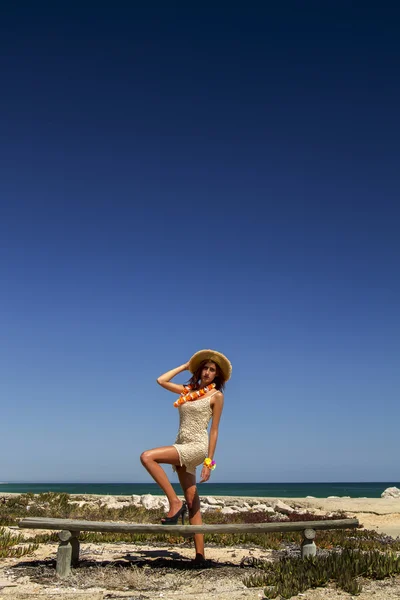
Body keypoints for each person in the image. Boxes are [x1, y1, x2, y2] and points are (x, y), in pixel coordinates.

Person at [140, 349, 232, 563]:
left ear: (217, 375)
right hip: (181, 444)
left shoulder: (216, 396)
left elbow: (215, 430)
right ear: (199, 370)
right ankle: (200, 556)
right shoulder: (187, 391)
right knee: (193, 502)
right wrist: (185, 366)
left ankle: (173, 502)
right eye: (205, 368)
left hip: (197, 447)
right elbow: (160, 380)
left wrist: (209, 462)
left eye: (212, 370)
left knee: (147, 457)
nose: (208, 372)